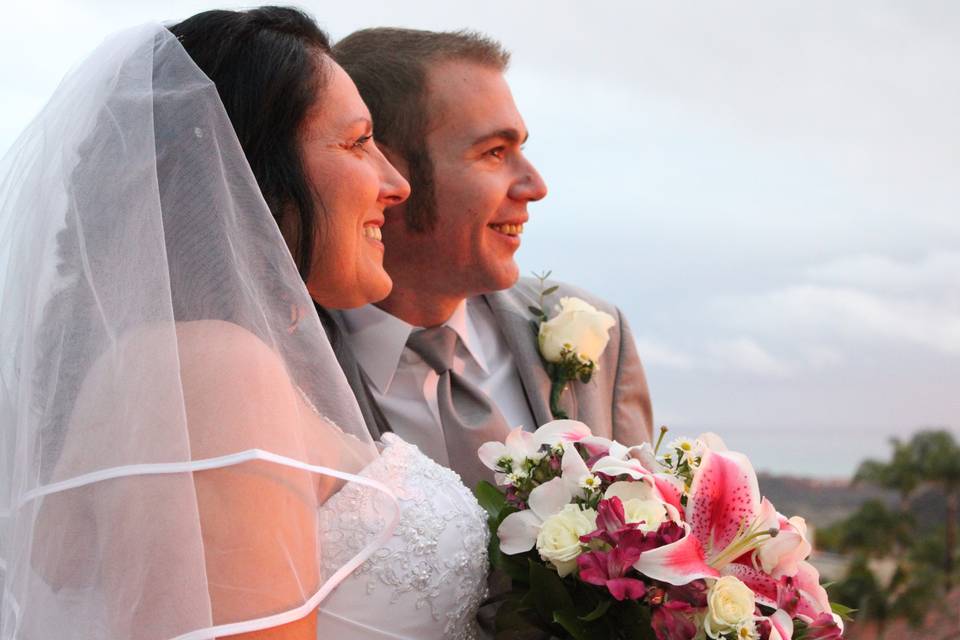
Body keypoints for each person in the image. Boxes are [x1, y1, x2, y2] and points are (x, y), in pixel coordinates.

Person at [0, 8, 489, 640]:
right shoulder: (208, 367)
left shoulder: (203, 359)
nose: (394, 184)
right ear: (254, 170)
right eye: (357, 142)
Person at [326, 29, 655, 490]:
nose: (535, 186)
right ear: (387, 169)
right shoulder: (284, 358)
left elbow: (646, 535)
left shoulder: (599, 334)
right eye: (494, 152)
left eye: (521, 148)